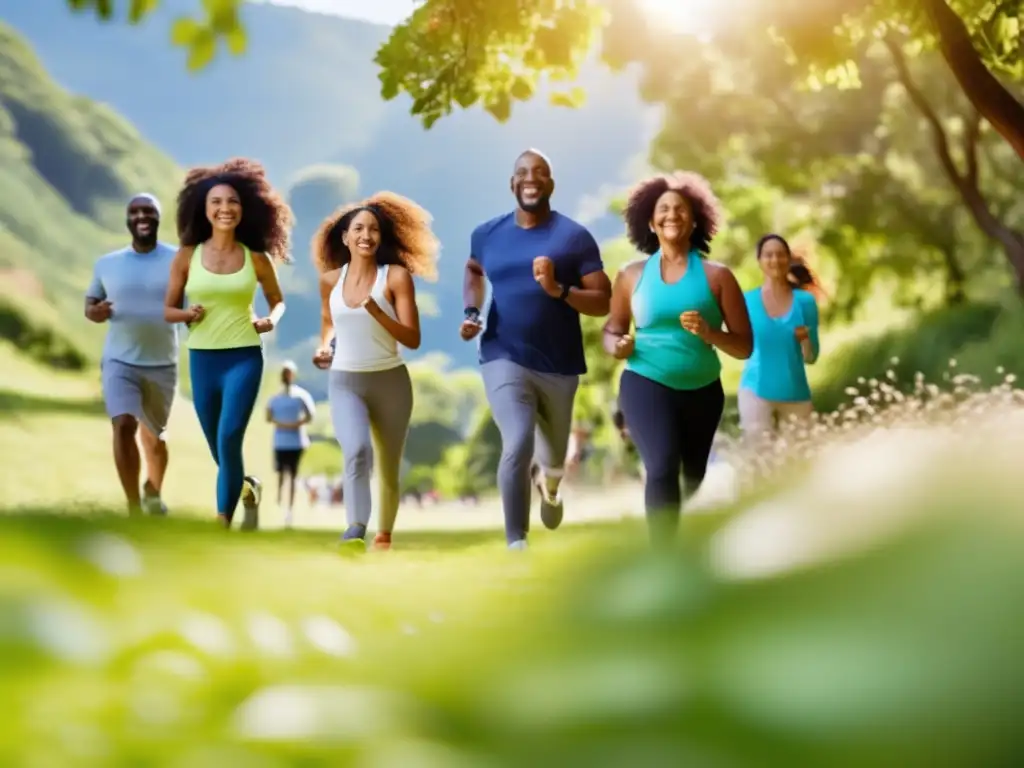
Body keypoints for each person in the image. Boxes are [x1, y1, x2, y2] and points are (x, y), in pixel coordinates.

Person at [461, 149, 612, 549]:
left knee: (554, 456)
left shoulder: (573, 237)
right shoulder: (487, 234)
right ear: (512, 184)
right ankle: (517, 541)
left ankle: (553, 487)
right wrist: (473, 311)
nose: (531, 178)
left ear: (550, 184)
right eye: (523, 173)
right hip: (501, 355)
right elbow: (474, 269)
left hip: (559, 365)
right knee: (517, 440)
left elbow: (603, 300)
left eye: (540, 172)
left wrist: (558, 290)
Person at [603, 171, 753, 543]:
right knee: (663, 464)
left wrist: (709, 333)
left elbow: (744, 346)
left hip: (702, 390)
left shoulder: (719, 277)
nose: (672, 215)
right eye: (663, 209)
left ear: (695, 219)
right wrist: (617, 345)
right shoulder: (630, 275)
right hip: (645, 380)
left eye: (680, 209)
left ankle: (667, 514)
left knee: (692, 477)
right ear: (651, 222)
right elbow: (612, 329)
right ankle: (663, 557)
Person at [163, 158, 291, 530]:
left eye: (232, 201)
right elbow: (168, 310)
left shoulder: (256, 257)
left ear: (243, 208)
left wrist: (271, 319)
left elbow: (277, 300)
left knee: (230, 434)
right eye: (216, 202)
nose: (225, 208)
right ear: (204, 210)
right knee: (219, 446)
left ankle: (222, 522)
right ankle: (247, 486)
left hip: (244, 356)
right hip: (203, 360)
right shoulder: (187, 257)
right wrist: (187, 316)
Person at [311, 191, 439, 551]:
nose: (366, 235)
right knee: (356, 450)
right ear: (345, 237)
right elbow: (327, 323)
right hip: (345, 380)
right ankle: (355, 528)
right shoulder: (330, 281)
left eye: (374, 230)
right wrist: (323, 347)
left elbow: (412, 338)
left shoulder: (395, 277)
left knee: (388, 464)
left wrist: (379, 313)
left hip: (391, 381)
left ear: (381, 237)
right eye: (359, 229)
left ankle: (383, 535)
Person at [85, 193, 178, 516]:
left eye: (149, 211)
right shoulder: (107, 263)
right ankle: (133, 507)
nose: (142, 216)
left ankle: (153, 490)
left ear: (157, 218)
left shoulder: (177, 259)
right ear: (128, 220)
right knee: (124, 425)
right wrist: (95, 312)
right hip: (119, 361)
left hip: (163, 363)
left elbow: (197, 302)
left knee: (155, 438)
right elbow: (90, 305)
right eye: (135, 211)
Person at [738, 234, 822, 439]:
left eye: (780, 255)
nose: (775, 260)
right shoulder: (746, 301)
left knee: (799, 461)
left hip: (795, 393)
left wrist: (804, 340)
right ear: (760, 261)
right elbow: (737, 345)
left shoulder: (805, 302)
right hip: (755, 391)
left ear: (788, 259)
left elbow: (812, 358)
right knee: (759, 458)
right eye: (768, 255)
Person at [265, 360, 316, 528]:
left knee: (293, 475)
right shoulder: (275, 398)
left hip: (296, 442)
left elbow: (310, 416)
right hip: (280, 442)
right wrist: (281, 423)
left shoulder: (301, 396)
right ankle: (278, 503)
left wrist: (295, 425)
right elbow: (268, 416)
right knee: (281, 473)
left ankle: (290, 508)